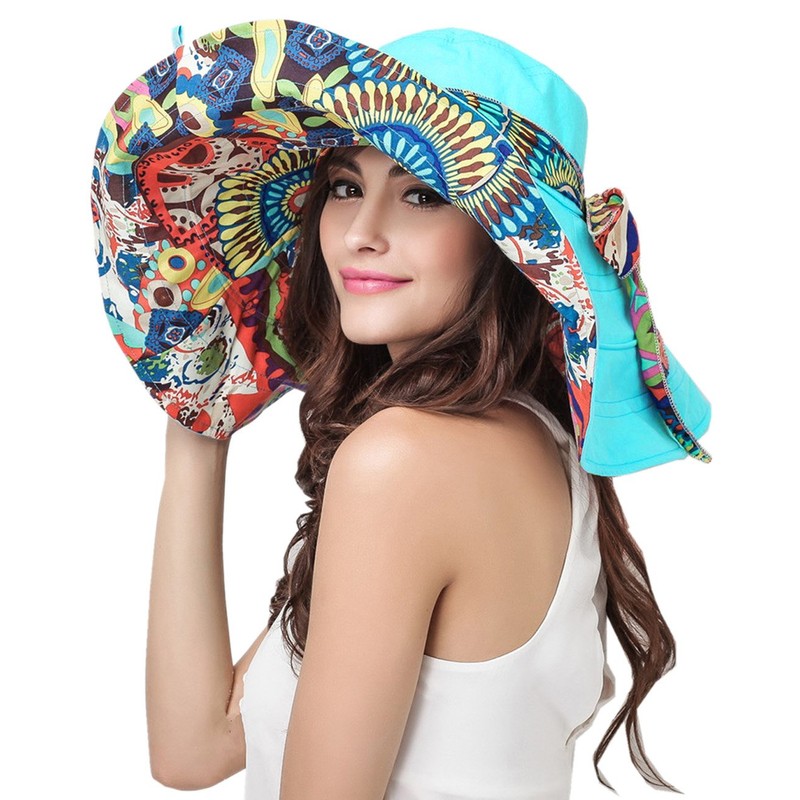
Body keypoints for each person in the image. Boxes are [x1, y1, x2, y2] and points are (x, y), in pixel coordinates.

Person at [90, 19, 712, 799]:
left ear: (504, 241)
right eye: (346, 187)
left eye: (422, 195)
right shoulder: (527, 440)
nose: (361, 233)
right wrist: (196, 417)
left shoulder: (405, 459)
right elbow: (198, 747)